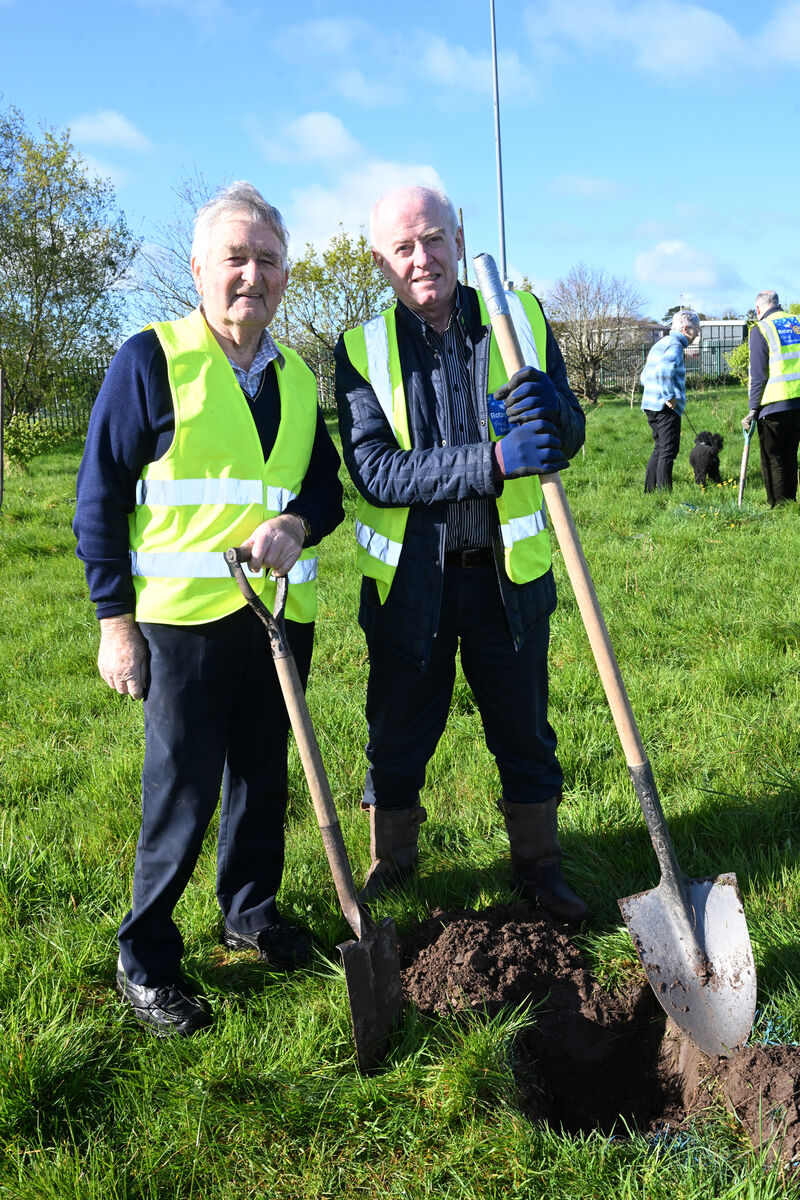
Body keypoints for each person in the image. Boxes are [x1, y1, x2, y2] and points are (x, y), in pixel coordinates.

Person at [74, 182, 344, 1036]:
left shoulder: (298, 378)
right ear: (199, 269)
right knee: (182, 792)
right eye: (235, 259)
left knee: (264, 778)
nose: (251, 276)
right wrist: (116, 624)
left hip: (275, 620)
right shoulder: (149, 359)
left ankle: (250, 911)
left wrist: (297, 524)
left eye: (268, 261)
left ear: (285, 277)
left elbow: (326, 492)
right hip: (181, 625)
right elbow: (100, 497)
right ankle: (145, 956)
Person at [334, 183, 589, 924]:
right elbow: (376, 472)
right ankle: (395, 864)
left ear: (459, 237)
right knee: (398, 736)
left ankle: (539, 868)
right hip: (413, 587)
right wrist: (496, 460)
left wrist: (553, 417)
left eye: (434, 239)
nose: (422, 259)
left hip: (508, 579)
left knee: (525, 730)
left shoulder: (523, 320)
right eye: (403, 248)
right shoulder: (361, 351)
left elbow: (565, 434)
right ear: (381, 263)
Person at [742, 291, 800, 506]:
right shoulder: (797, 322)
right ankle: (791, 502)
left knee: (773, 458)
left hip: (774, 403)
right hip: (798, 402)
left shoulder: (761, 328)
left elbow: (758, 374)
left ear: (758, 309)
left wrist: (752, 410)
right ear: (778, 304)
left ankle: (778, 505)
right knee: (790, 455)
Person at [640, 308, 700, 492]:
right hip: (665, 406)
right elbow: (664, 372)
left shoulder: (661, 343)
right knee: (668, 451)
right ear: (685, 328)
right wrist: (669, 396)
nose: (697, 334)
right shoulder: (675, 346)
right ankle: (664, 493)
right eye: (696, 330)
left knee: (659, 448)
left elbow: (644, 376)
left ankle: (650, 491)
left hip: (650, 404)